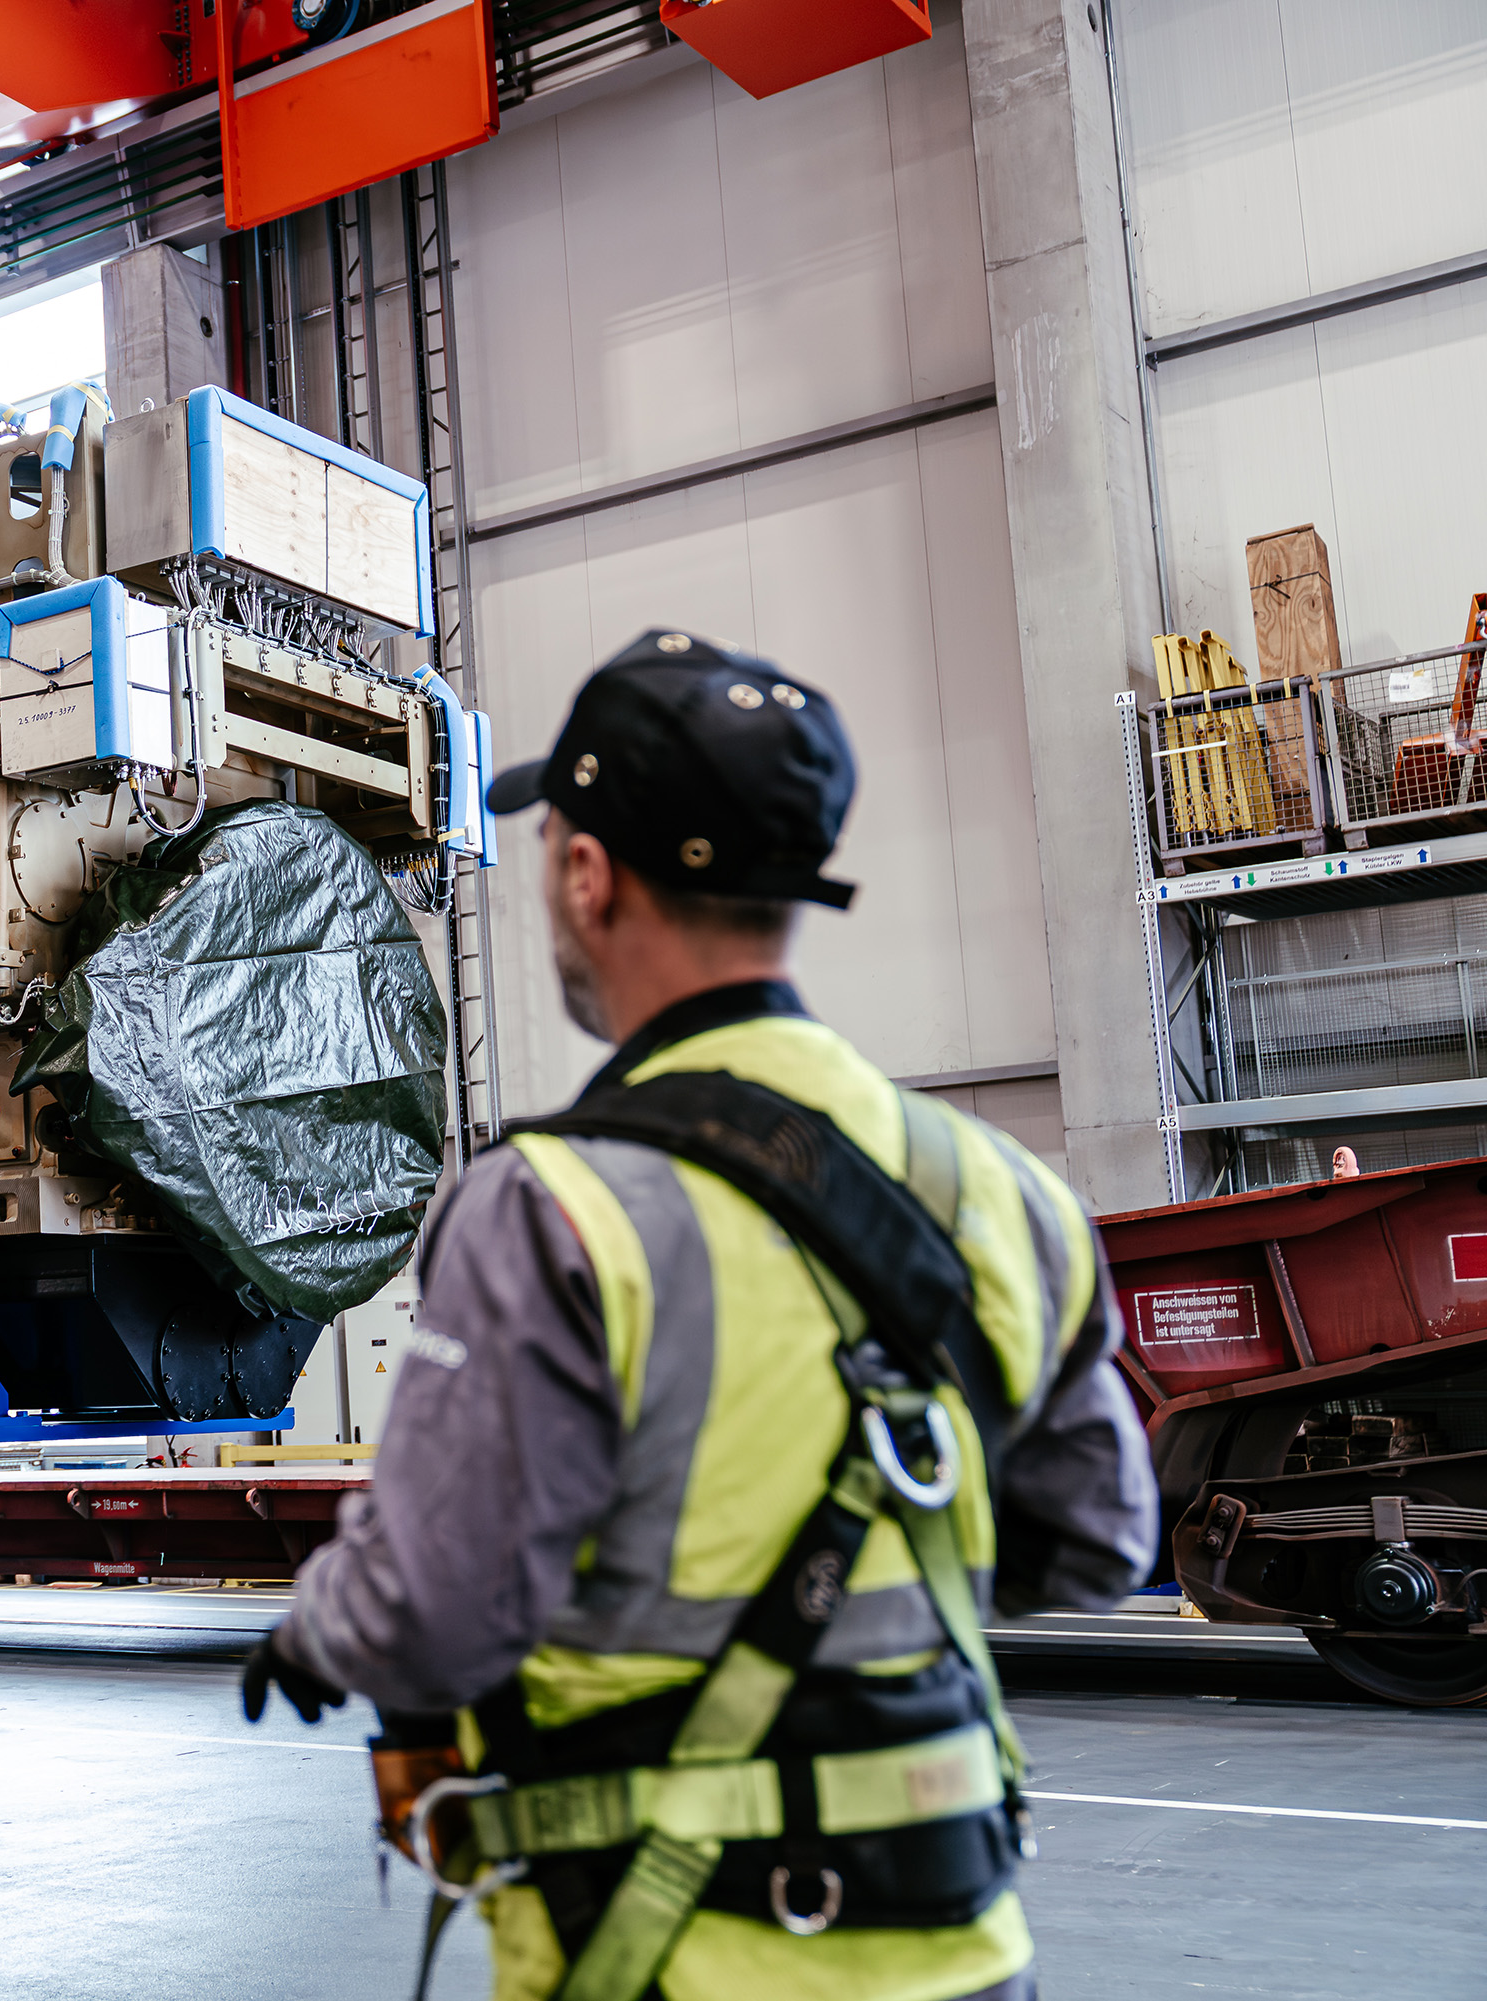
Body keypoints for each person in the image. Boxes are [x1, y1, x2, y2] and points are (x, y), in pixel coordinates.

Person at [239, 631, 1158, 2001]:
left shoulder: (549, 1209)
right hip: (966, 1953)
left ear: (588, 874)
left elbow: (433, 1611)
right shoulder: (1000, 1188)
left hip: (675, 1954)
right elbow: (1098, 1541)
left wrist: (317, 1631)